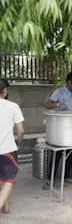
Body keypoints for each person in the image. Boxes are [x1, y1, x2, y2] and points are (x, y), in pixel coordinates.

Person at [42, 72, 72, 190]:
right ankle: (51, 180)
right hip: (59, 129)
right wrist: (58, 104)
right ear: (69, 82)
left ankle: (68, 176)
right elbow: (47, 104)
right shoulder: (59, 92)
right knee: (57, 154)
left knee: (70, 152)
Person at [0, 79, 24, 214]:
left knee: (1, 178)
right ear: (5, 91)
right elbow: (20, 130)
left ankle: (5, 207)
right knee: (9, 180)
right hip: (7, 150)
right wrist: (20, 144)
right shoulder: (12, 106)